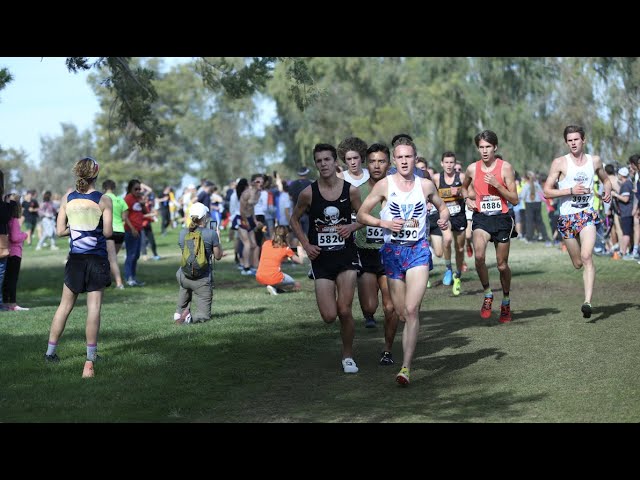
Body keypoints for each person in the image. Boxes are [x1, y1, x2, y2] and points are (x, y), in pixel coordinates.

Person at [357, 136, 450, 386]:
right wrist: (383, 222)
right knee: (400, 313)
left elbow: (443, 208)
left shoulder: (426, 185)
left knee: (411, 310)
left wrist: (443, 219)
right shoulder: (384, 186)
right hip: (392, 253)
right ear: (394, 161)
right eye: (400, 157)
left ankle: (406, 367)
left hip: (418, 250)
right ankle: (405, 354)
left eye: (408, 156)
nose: (404, 161)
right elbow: (361, 214)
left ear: (414, 157)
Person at [290, 143, 362, 374]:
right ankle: (346, 351)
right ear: (316, 164)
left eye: (327, 160)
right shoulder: (308, 193)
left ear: (335, 162)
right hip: (321, 259)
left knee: (344, 310)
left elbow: (364, 217)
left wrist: (351, 226)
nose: (323, 164)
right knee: (330, 316)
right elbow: (294, 220)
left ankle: (348, 356)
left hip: (346, 257)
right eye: (319, 161)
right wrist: (306, 244)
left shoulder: (350, 190)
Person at [44, 157, 113, 379]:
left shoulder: (67, 198)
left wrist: (77, 229)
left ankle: (50, 353)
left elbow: (60, 231)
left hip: (75, 259)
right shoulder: (104, 200)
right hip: (97, 259)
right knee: (93, 308)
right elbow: (108, 233)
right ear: (96, 174)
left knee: (64, 306)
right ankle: (90, 358)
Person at [543, 125, 612, 317]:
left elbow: (606, 180)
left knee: (587, 256)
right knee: (577, 263)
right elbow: (547, 191)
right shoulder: (559, 163)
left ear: (584, 140)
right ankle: (579, 261)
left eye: (576, 139)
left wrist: (607, 191)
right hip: (566, 218)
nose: (573, 143)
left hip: (587, 214)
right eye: (570, 140)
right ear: (566, 142)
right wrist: (570, 190)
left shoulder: (595, 160)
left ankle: (587, 302)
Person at [460, 130, 519, 323]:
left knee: (502, 266)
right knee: (478, 256)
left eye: (488, 147)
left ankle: (506, 301)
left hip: (502, 219)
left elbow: (515, 200)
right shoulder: (472, 169)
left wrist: (498, 185)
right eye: (481, 147)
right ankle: (487, 294)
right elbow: (463, 188)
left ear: (495, 147)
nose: (484, 151)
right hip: (481, 218)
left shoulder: (505, 168)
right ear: (478, 148)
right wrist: (467, 199)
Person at [354, 142, 400, 365]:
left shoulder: (397, 188)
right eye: (372, 161)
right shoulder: (358, 191)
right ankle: (368, 315)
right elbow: (354, 218)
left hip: (389, 251)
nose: (376, 165)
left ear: (388, 164)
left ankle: (387, 350)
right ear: (366, 164)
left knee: (390, 306)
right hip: (365, 252)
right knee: (370, 306)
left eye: (381, 161)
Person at [174, 202, 223, 324]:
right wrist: (218, 239)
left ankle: (179, 312)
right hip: (201, 280)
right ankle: (188, 318)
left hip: (183, 276)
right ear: (205, 217)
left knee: (185, 287)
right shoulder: (211, 234)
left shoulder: (182, 233)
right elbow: (218, 256)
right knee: (204, 315)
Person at [432, 151, 467, 295]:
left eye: (451, 162)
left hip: (459, 215)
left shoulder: (462, 177)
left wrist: (458, 192)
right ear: (442, 163)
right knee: (446, 240)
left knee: (459, 248)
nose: (449, 165)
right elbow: (431, 193)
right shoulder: (436, 178)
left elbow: (470, 193)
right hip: (444, 215)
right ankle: (448, 269)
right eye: (446, 162)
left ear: (455, 163)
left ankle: (457, 275)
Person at [256, 225, 303, 295]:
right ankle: (273, 286)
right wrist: (300, 249)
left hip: (260, 276)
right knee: (296, 284)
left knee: (273, 276)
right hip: (273, 276)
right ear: (286, 235)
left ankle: (272, 287)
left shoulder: (266, 243)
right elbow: (300, 261)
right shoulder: (286, 249)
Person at [2, 195, 29, 311]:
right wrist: (25, 234)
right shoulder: (14, 221)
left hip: (9, 253)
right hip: (15, 254)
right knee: (13, 279)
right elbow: (14, 237)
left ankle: (6, 303)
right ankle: (12, 304)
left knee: (7, 279)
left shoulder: (7, 221)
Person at [102, 179, 129, 289]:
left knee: (112, 259)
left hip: (109, 231)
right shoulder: (120, 200)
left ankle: (119, 283)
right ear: (114, 188)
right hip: (120, 231)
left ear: (104, 188)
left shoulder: (102, 199)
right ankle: (106, 279)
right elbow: (124, 217)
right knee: (110, 258)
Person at [123, 179, 147, 287]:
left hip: (139, 230)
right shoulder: (128, 199)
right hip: (130, 231)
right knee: (131, 255)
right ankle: (128, 278)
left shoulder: (139, 198)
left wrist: (142, 204)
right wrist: (132, 228)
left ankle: (133, 277)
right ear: (130, 189)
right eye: (135, 189)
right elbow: (125, 216)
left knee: (136, 255)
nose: (138, 191)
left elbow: (145, 212)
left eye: (139, 189)